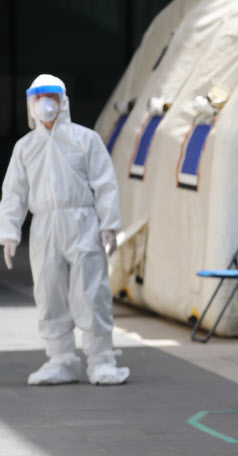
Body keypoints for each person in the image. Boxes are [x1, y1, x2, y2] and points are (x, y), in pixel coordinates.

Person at [0, 74, 129, 385]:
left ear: (64, 101)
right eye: (40, 97)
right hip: (45, 225)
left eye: (52, 97)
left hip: (83, 222)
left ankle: (102, 360)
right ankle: (61, 360)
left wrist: (109, 224)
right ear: (31, 103)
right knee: (49, 292)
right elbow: (14, 192)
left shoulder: (85, 139)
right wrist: (9, 232)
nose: (46, 104)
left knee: (91, 292)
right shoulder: (25, 147)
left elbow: (105, 184)